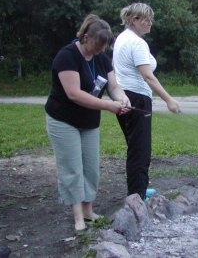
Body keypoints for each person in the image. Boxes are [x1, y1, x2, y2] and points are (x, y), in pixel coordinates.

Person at [45, 14, 130, 234]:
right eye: (97, 45)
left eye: (104, 46)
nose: (101, 50)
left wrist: (121, 98)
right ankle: (77, 217)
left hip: (89, 121)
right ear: (85, 38)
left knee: (91, 167)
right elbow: (74, 94)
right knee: (72, 168)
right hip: (63, 120)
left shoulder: (102, 57)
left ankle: (88, 211)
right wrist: (108, 106)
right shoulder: (67, 56)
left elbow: (113, 86)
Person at [113, 2, 181, 200]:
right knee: (140, 149)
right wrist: (169, 100)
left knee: (135, 146)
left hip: (124, 96)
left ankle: (138, 189)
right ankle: (137, 195)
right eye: (146, 19)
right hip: (136, 98)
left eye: (151, 19)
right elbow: (148, 76)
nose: (150, 23)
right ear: (134, 20)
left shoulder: (122, 38)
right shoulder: (137, 43)